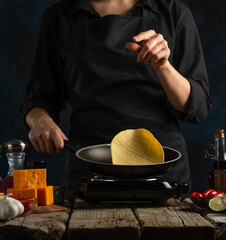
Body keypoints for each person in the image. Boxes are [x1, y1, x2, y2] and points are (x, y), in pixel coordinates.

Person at [20, 0, 212, 201]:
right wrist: (40, 120)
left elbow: (197, 108)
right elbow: (39, 99)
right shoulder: (59, 16)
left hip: (161, 169)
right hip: (90, 164)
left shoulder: (173, 13)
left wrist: (163, 66)